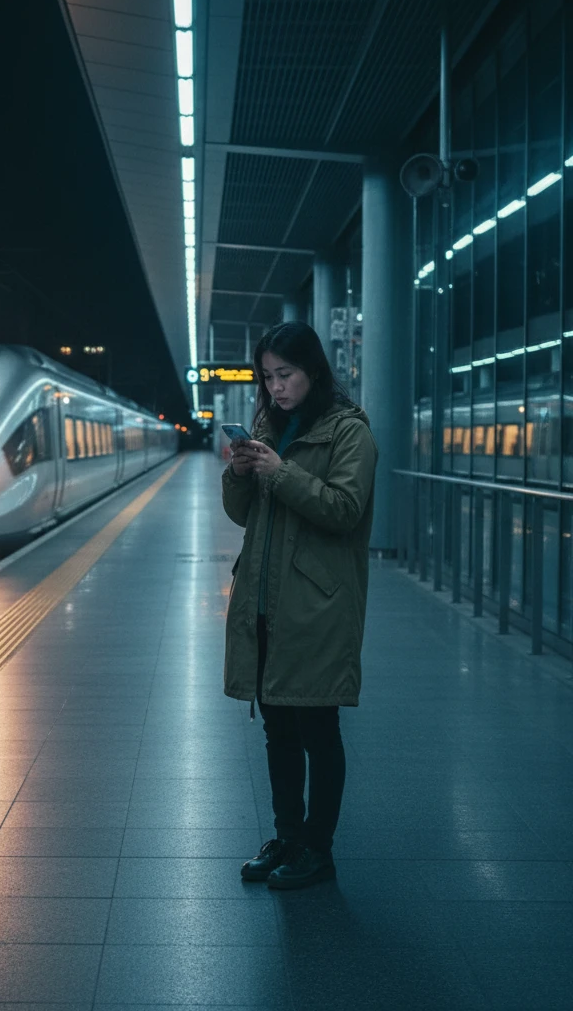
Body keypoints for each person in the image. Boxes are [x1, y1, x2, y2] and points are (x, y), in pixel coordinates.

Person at [221, 321, 377, 890]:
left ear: (313, 370)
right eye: (268, 376)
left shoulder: (348, 433)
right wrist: (239, 474)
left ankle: (318, 848)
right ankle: (286, 837)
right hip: (264, 601)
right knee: (277, 730)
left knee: (318, 728)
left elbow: (344, 510)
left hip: (317, 604)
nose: (277, 386)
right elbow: (244, 515)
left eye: (285, 374)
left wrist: (280, 472)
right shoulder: (270, 426)